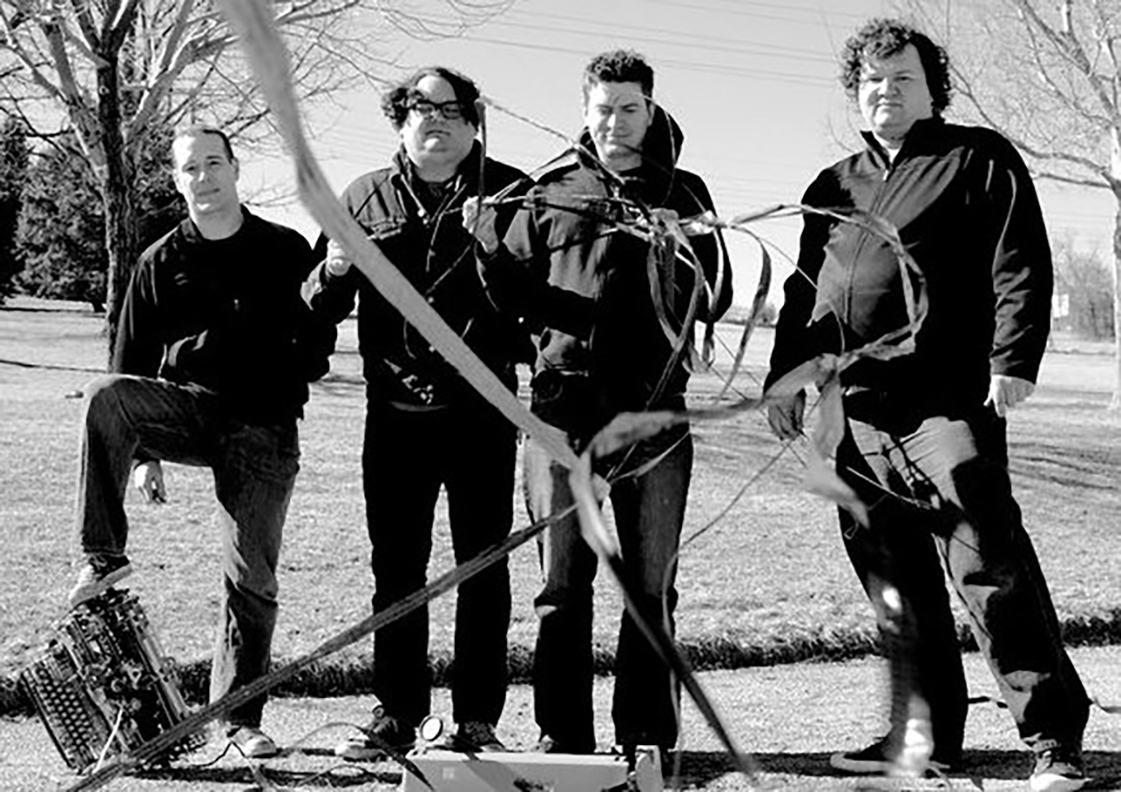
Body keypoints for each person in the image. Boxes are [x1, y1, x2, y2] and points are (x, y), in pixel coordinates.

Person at [765, 18, 1090, 792]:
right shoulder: (831, 184)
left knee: (986, 566)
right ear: (855, 93)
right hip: (854, 416)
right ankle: (926, 738)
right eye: (872, 81)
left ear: (929, 88)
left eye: (901, 78)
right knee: (893, 584)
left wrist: (1012, 359)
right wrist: (786, 377)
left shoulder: (976, 158)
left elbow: (1020, 262)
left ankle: (1051, 741)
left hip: (945, 406)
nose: (885, 91)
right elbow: (804, 294)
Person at [468, 49, 733, 760]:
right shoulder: (548, 190)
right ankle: (562, 737)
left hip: (653, 414)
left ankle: (645, 736)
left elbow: (718, 295)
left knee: (650, 589)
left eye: (629, 108)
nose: (615, 121)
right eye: (603, 108)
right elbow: (511, 298)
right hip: (561, 413)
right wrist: (485, 245)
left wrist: (679, 246)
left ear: (650, 110)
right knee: (561, 589)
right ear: (583, 111)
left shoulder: (684, 191)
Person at [67, 125, 336, 758]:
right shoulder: (159, 260)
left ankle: (238, 723)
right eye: (191, 168)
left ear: (236, 169)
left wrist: (288, 363)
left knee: (252, 578)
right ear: (177, 180)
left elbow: (318, 342)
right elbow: (128, 361)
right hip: (188, 411)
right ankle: (102, 557)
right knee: (104, 394)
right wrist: (144, 453)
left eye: (215, 163)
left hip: (264, 426)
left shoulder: (284, 248)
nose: (204, 177)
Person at [303, 66, 529, 758]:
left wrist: (492, 245)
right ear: (399, 121)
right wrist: (335, 269)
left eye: (452, 111)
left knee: (481, 569)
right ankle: (396, 715)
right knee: (396, 570)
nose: (435, 121)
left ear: (474, 123)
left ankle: (476, 721)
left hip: (481, 417)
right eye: (419, 110)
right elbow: (313, 306)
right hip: (394, 415)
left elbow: (534, 302)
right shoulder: (361, 196)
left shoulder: (514, 194)